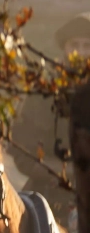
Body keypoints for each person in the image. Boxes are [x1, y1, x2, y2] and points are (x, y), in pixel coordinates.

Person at [8, 12, 90, 216]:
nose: (80, 53)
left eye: (87, 46)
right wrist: (62, 174)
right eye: (74, 45)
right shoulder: (42, 94)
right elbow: (22, 153)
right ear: (64, 50)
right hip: (48, 197)